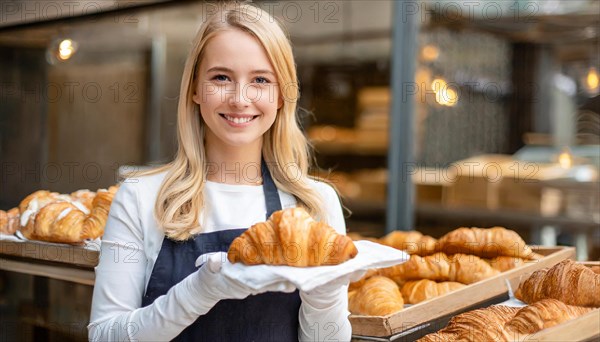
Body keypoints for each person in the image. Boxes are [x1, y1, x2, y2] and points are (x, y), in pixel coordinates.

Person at [88, 2, 354, 341]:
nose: (240, 99)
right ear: (195, 89)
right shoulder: (141, 196)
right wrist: (197, 293)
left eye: (260, 79)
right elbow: (104, 336)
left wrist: (325, 290)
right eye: (221, 78)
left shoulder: (315, 204)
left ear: (281, 95)